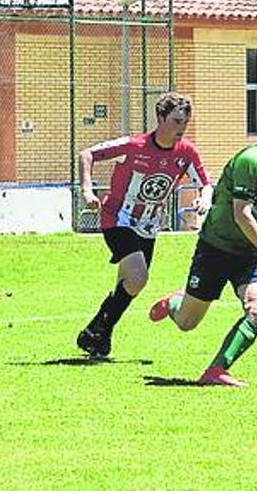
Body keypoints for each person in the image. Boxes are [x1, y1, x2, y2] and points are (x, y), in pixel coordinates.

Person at [148, 100, 257, 387]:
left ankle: (216, 370)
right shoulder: (250, 161)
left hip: (250, 253)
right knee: (187, 322)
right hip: (216, 249)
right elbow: (242, 214)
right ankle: (175, 302)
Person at [76, 92, 212, 358]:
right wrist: (87, 191)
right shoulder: (133, 145)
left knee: (130, 284)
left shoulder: (186, 153)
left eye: (184, 122)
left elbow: (205, 184)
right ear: (160, 118)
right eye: (175, 121)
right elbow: (87, 154)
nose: (180, 129)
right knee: (138, 278)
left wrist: (204, 199)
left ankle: (98, 335)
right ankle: (97, 330)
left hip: (149, 226)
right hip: (117, 218)